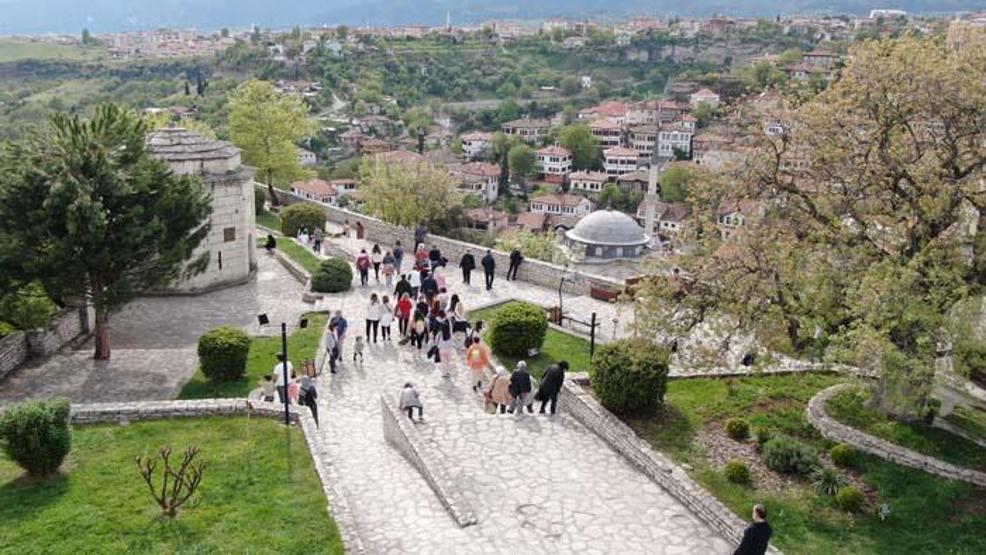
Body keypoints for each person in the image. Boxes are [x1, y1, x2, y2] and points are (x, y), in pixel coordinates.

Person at [435, 310, 455, 378]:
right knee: (448, 361)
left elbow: (436, 338)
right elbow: (451, 331)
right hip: (448, 346)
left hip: (441, 347)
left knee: (443, 361)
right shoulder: (448, 323)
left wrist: (436, 345)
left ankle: (444, 373)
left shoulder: (439, 330)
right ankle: (447, 372)